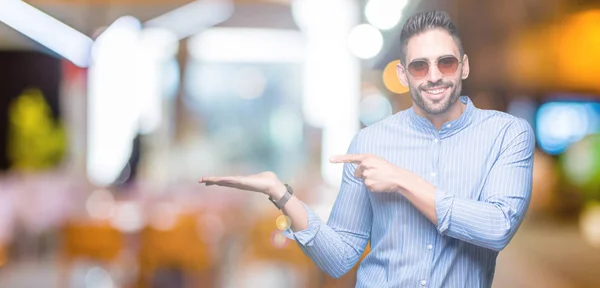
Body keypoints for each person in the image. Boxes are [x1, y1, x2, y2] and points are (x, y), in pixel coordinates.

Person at [200, 10, 535, 287]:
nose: (434, 76)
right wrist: (282, 194)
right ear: (404, 75)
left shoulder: (507, 134)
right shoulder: (370, 142)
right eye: (420, 66)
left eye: (445, 63)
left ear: (464, 66)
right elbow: (340, 256)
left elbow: (497, 228)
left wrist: (402, 179)